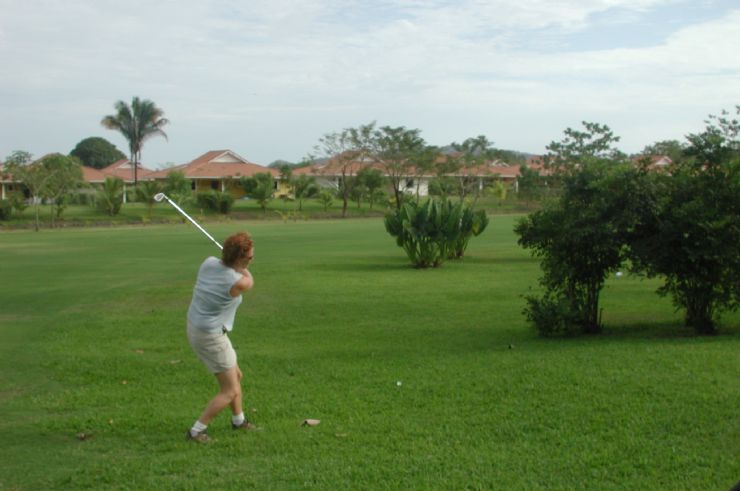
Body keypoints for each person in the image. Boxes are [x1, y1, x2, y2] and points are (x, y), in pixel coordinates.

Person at [185, 231, 258, 442]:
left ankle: (239, 421)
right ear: (239, 258)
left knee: (236, 376)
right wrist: (241, 267)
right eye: (250, 257)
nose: (252, 260)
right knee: (230, 390)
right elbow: (248, 279)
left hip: (197, 327)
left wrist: (232, 260)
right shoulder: (238, 282)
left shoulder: (208, 263)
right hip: (210, 336)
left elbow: (225, 265)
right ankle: (197, 430)